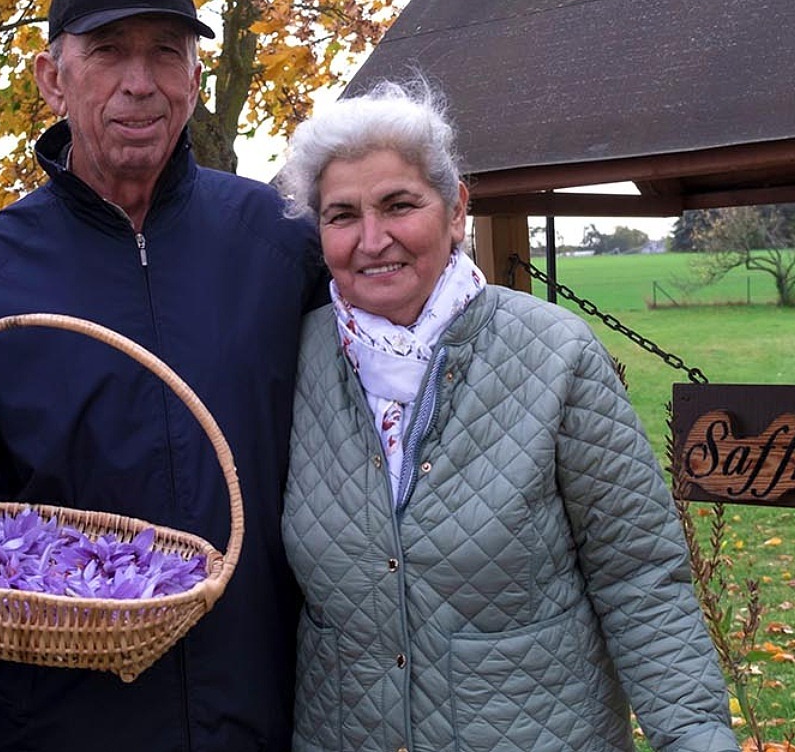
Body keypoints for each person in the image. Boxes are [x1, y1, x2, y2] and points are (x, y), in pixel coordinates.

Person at [0, 0, 327, 751]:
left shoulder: (275, 241)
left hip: (257, 696)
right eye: (108, 52)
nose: (141, 81)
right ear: (51, 78)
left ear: (196, 78)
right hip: (61, 713)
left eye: (166, 53)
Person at [272, 80, 742, 752]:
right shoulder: (294, 361)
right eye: (342, 215)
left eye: (398, 205)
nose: (373, 239)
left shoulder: (553, 354)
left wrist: (694, 735)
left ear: (456, 209)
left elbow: (638, 573)